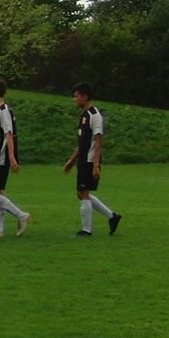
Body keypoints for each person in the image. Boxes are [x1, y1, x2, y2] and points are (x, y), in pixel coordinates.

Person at [62, 82, 122, 237]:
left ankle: (86, 230)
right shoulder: (84, 116)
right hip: (83, 159)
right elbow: (83, 143)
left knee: (83, 192)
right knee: (81, 192)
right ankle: (112, 216)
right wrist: (72, 160)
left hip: (90, 160)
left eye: (76, 96)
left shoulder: (94, 116)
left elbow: (98, 141)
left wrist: (96, 165)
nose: (74, 99)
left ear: (85, 97)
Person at [0, 79, 31, 238]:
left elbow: (9, 134)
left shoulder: (3, 111)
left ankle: (21, 215)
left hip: (2, 158)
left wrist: (11, 157)